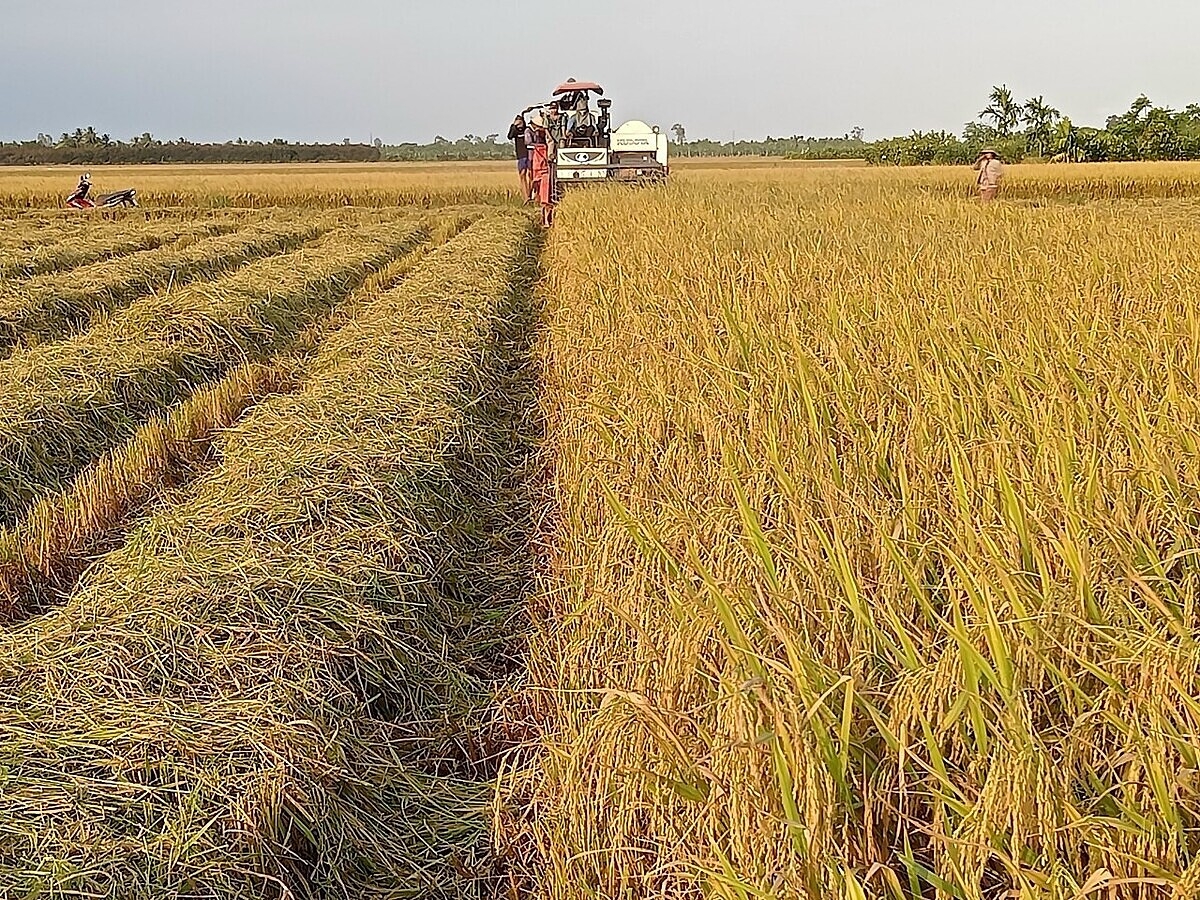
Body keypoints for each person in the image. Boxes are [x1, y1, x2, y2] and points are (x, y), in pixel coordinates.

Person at [526, 113, 554, 227]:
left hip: (543, 170)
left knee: (545, 196)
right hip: (540, 168)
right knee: (543, 195)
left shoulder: (546, 140)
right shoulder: (532, 137)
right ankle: (545, 220)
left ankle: (546, 220)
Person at [508, 114, 532, 202]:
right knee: (522, 174)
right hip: (521, 155)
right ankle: (526, 197)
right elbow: (509, 136)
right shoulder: (515, 131)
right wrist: (513, 125)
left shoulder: (527, 129)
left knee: (531, 174)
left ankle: (529, 194)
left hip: (529, 153)